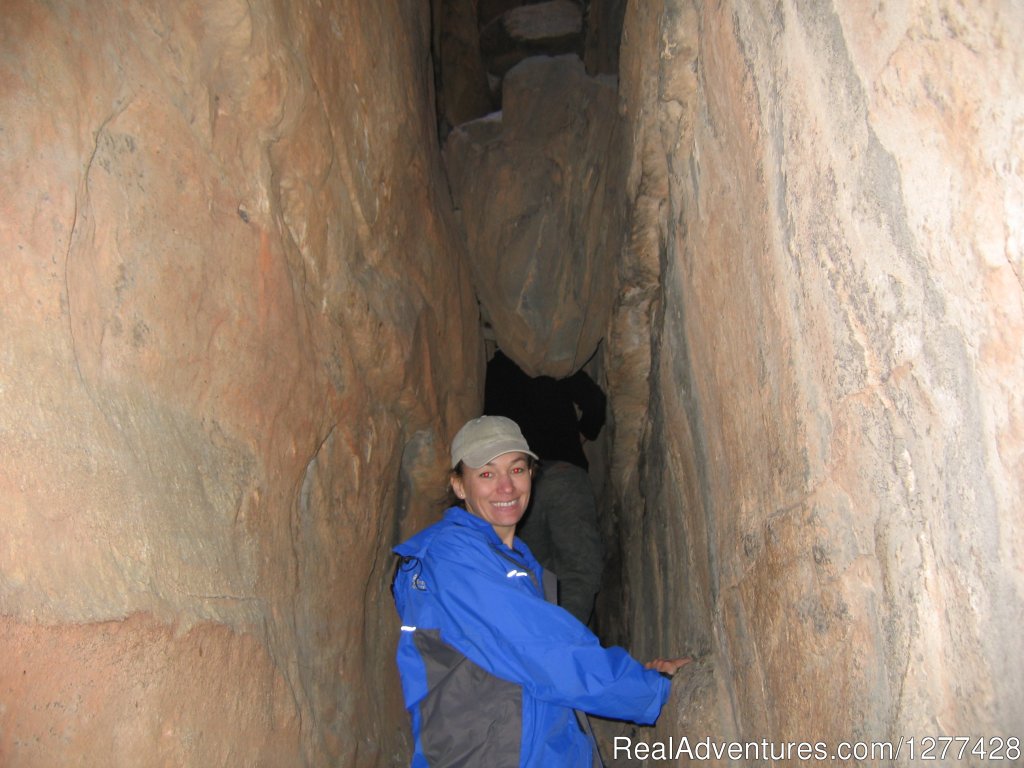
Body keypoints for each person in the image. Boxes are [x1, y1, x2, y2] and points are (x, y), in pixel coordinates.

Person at [391, 415, 689, 767]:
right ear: (459, 485)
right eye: (486, 474)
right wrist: (651, 689)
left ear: (532, 473)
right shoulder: (451, 557)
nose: (506, 487)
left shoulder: (517, 564)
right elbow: (545, 653)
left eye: (516, 469)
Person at [484, 349, 606, 624]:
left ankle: (548, 652)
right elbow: (595, 402)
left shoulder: (490, 373)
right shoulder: (552, 359)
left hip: (519, 486)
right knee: (579, 572)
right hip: (564, 472)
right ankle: (574, 646)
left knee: (535, 577)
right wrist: (583, 433)